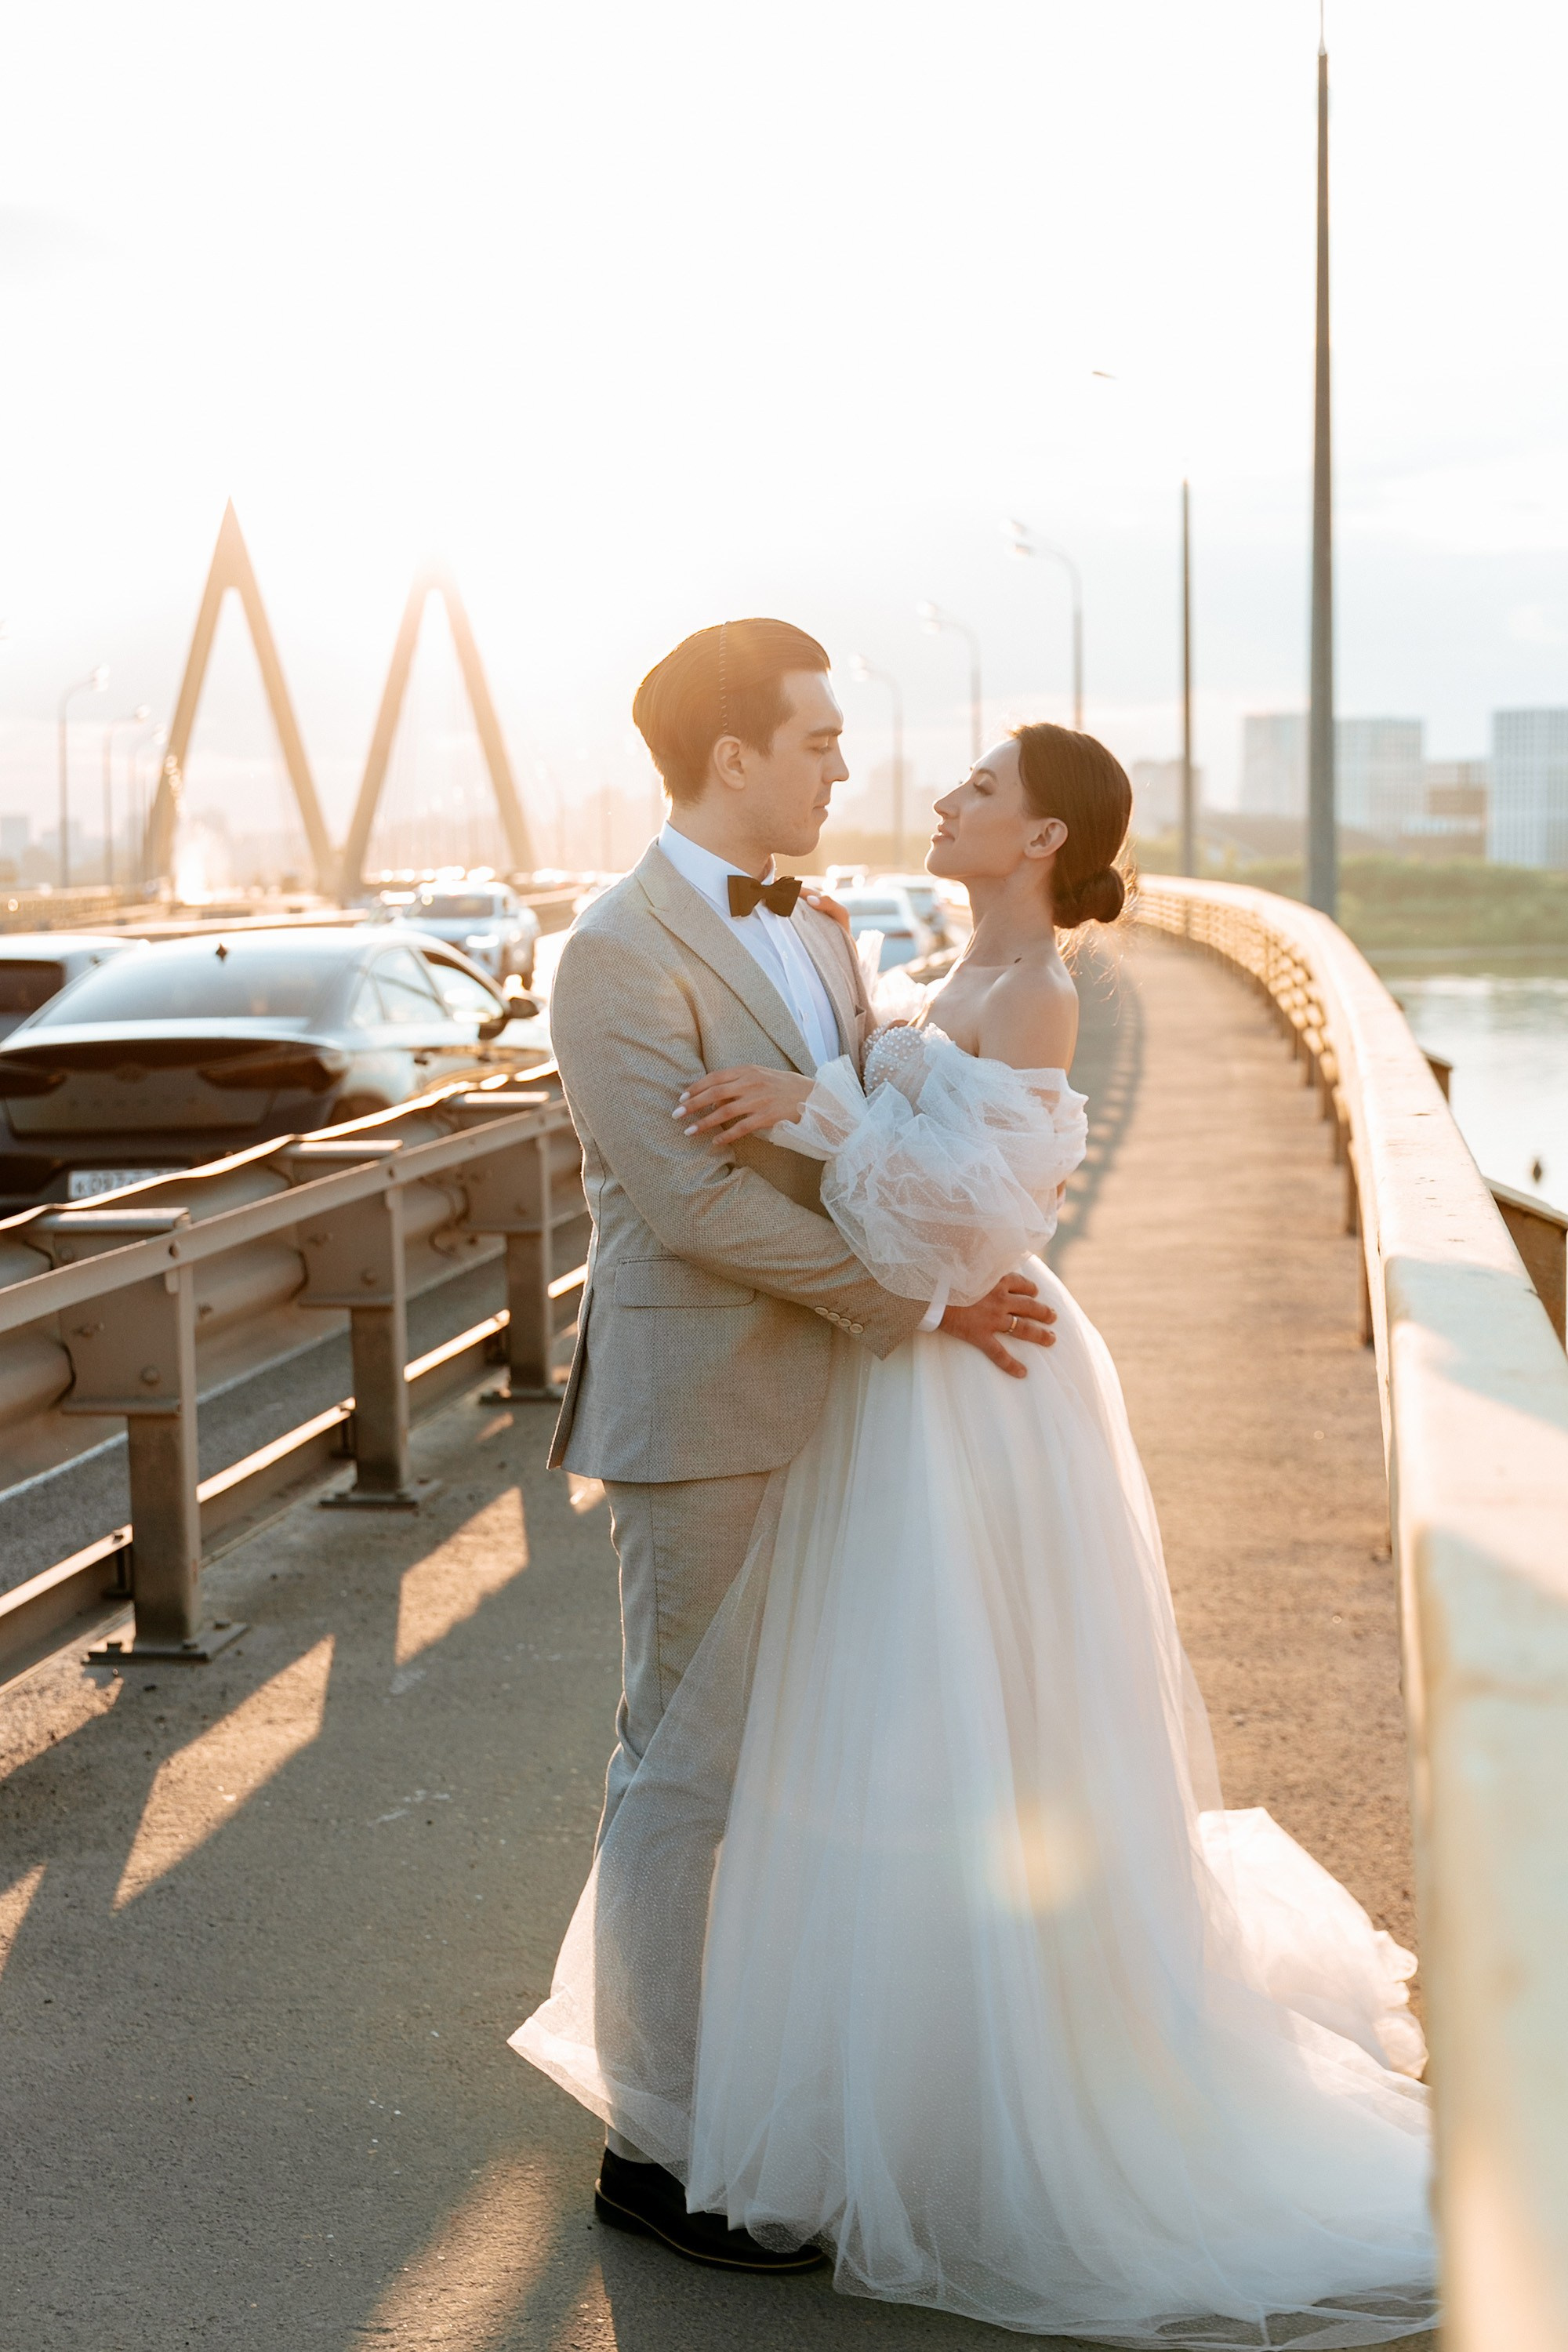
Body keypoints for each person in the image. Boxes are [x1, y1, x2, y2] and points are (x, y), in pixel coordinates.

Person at [515, 714, 1438, 2346]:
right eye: (821, 741)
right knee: (769, 1750)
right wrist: (845, 1156)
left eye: (973, 788)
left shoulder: (1002, 980)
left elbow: (964, 1213)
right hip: (865, 1368)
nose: (906, 790)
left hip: (952, 1369)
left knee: (946, 1735)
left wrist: (810, 1113)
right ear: (732, 750)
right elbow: (727, 1193)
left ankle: (922, 2095)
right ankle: (686, 2130)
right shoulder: (697, 946)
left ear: (1040, 841)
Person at [531, 619, 1061, 2273]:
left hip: (850, 1408)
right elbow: (682, 1205)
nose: (845, 761)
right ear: (732, 755)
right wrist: (913, 1309)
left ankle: (780, 2108)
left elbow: (875, 1142)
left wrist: (935, 1269)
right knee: (684, 1774)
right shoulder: (613, 951)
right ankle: (658, 2153)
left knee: (810, 1774)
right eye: (818, 737)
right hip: (705, 1404)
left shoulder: (828, 923)